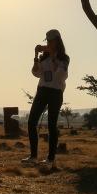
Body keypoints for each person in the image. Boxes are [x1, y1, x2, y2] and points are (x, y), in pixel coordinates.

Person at [21, 28, 69, 165]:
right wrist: (36, 56)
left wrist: (53, 56)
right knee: (31, 122)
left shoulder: (64, 58)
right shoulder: (44, 57)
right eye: (47, 41)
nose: (48, 43)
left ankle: (51, 159)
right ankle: (33, 156)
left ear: (57, 41)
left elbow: (61, 75)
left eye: (50, 41)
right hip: (42, 91)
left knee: (52, 125)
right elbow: (36, 73)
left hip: (55, 92)